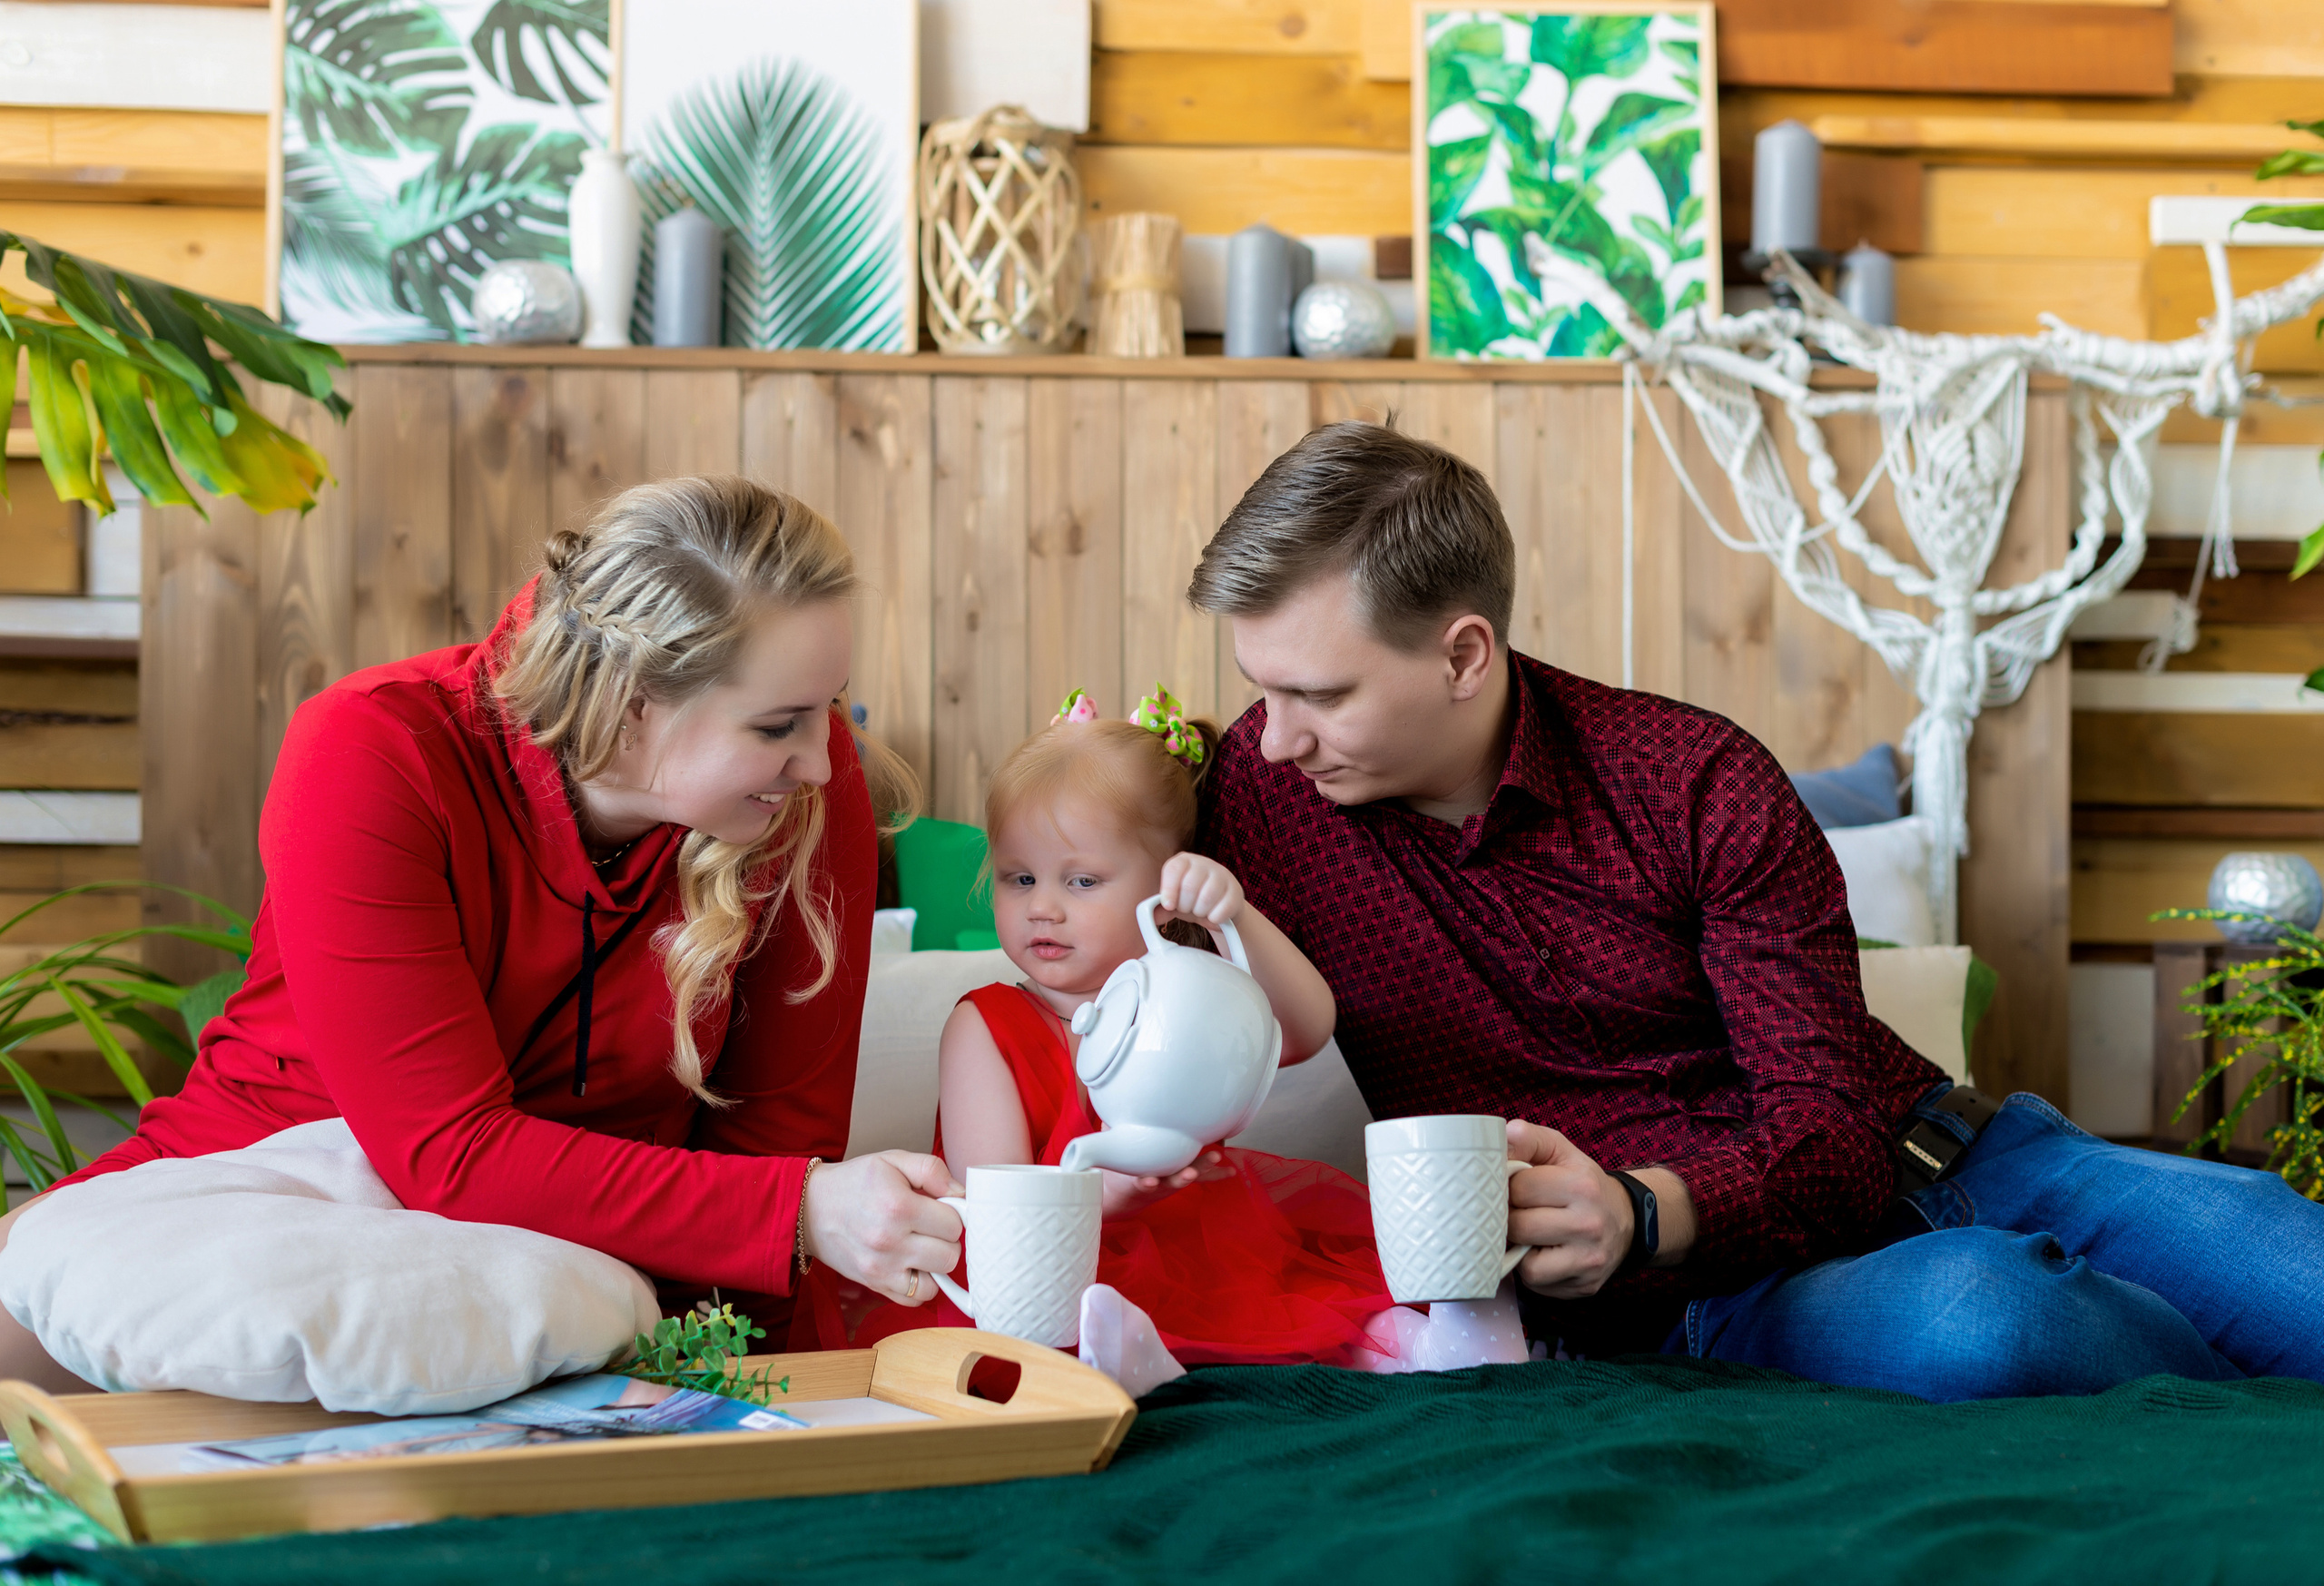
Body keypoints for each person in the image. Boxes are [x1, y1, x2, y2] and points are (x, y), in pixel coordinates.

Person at [1185, 420, 2324, 1402]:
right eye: (1259, 688)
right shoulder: (1258, 792)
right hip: (1717, 1289)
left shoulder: (1691, 777)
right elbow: (1070, 871)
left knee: (2288, 1258)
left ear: (1463, 655)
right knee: (1988, 1315)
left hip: (1950, 1152)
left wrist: (1636, 1206)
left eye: (1318, 695)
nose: (1275, 735)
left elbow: (1829, 1140)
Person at [0, 477, 968, 1393]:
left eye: (827, 707)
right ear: (635, 702)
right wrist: (798, 1210)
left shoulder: (801, 780)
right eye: (777, 724)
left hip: (602, 1260)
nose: (819, 756)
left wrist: (713, 1397)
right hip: (267, 1183)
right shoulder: (372, 749)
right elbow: (448, 1152)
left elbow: (775, 1134)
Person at [802, 686, 1528, 1393]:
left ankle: (1424, 1345)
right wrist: (1107, 1198)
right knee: (1052, 1334)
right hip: (1055, 1262)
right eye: (1020, 877)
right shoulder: (984, 1023)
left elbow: (1305, 1031)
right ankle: (1123, 1362)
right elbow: (997, 1206)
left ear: (1161, 886)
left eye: (1082, 880)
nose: (1043, 907)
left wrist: (1234, 916)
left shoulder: (1187, 987)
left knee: (1326, 1296)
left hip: (1208, 1241)